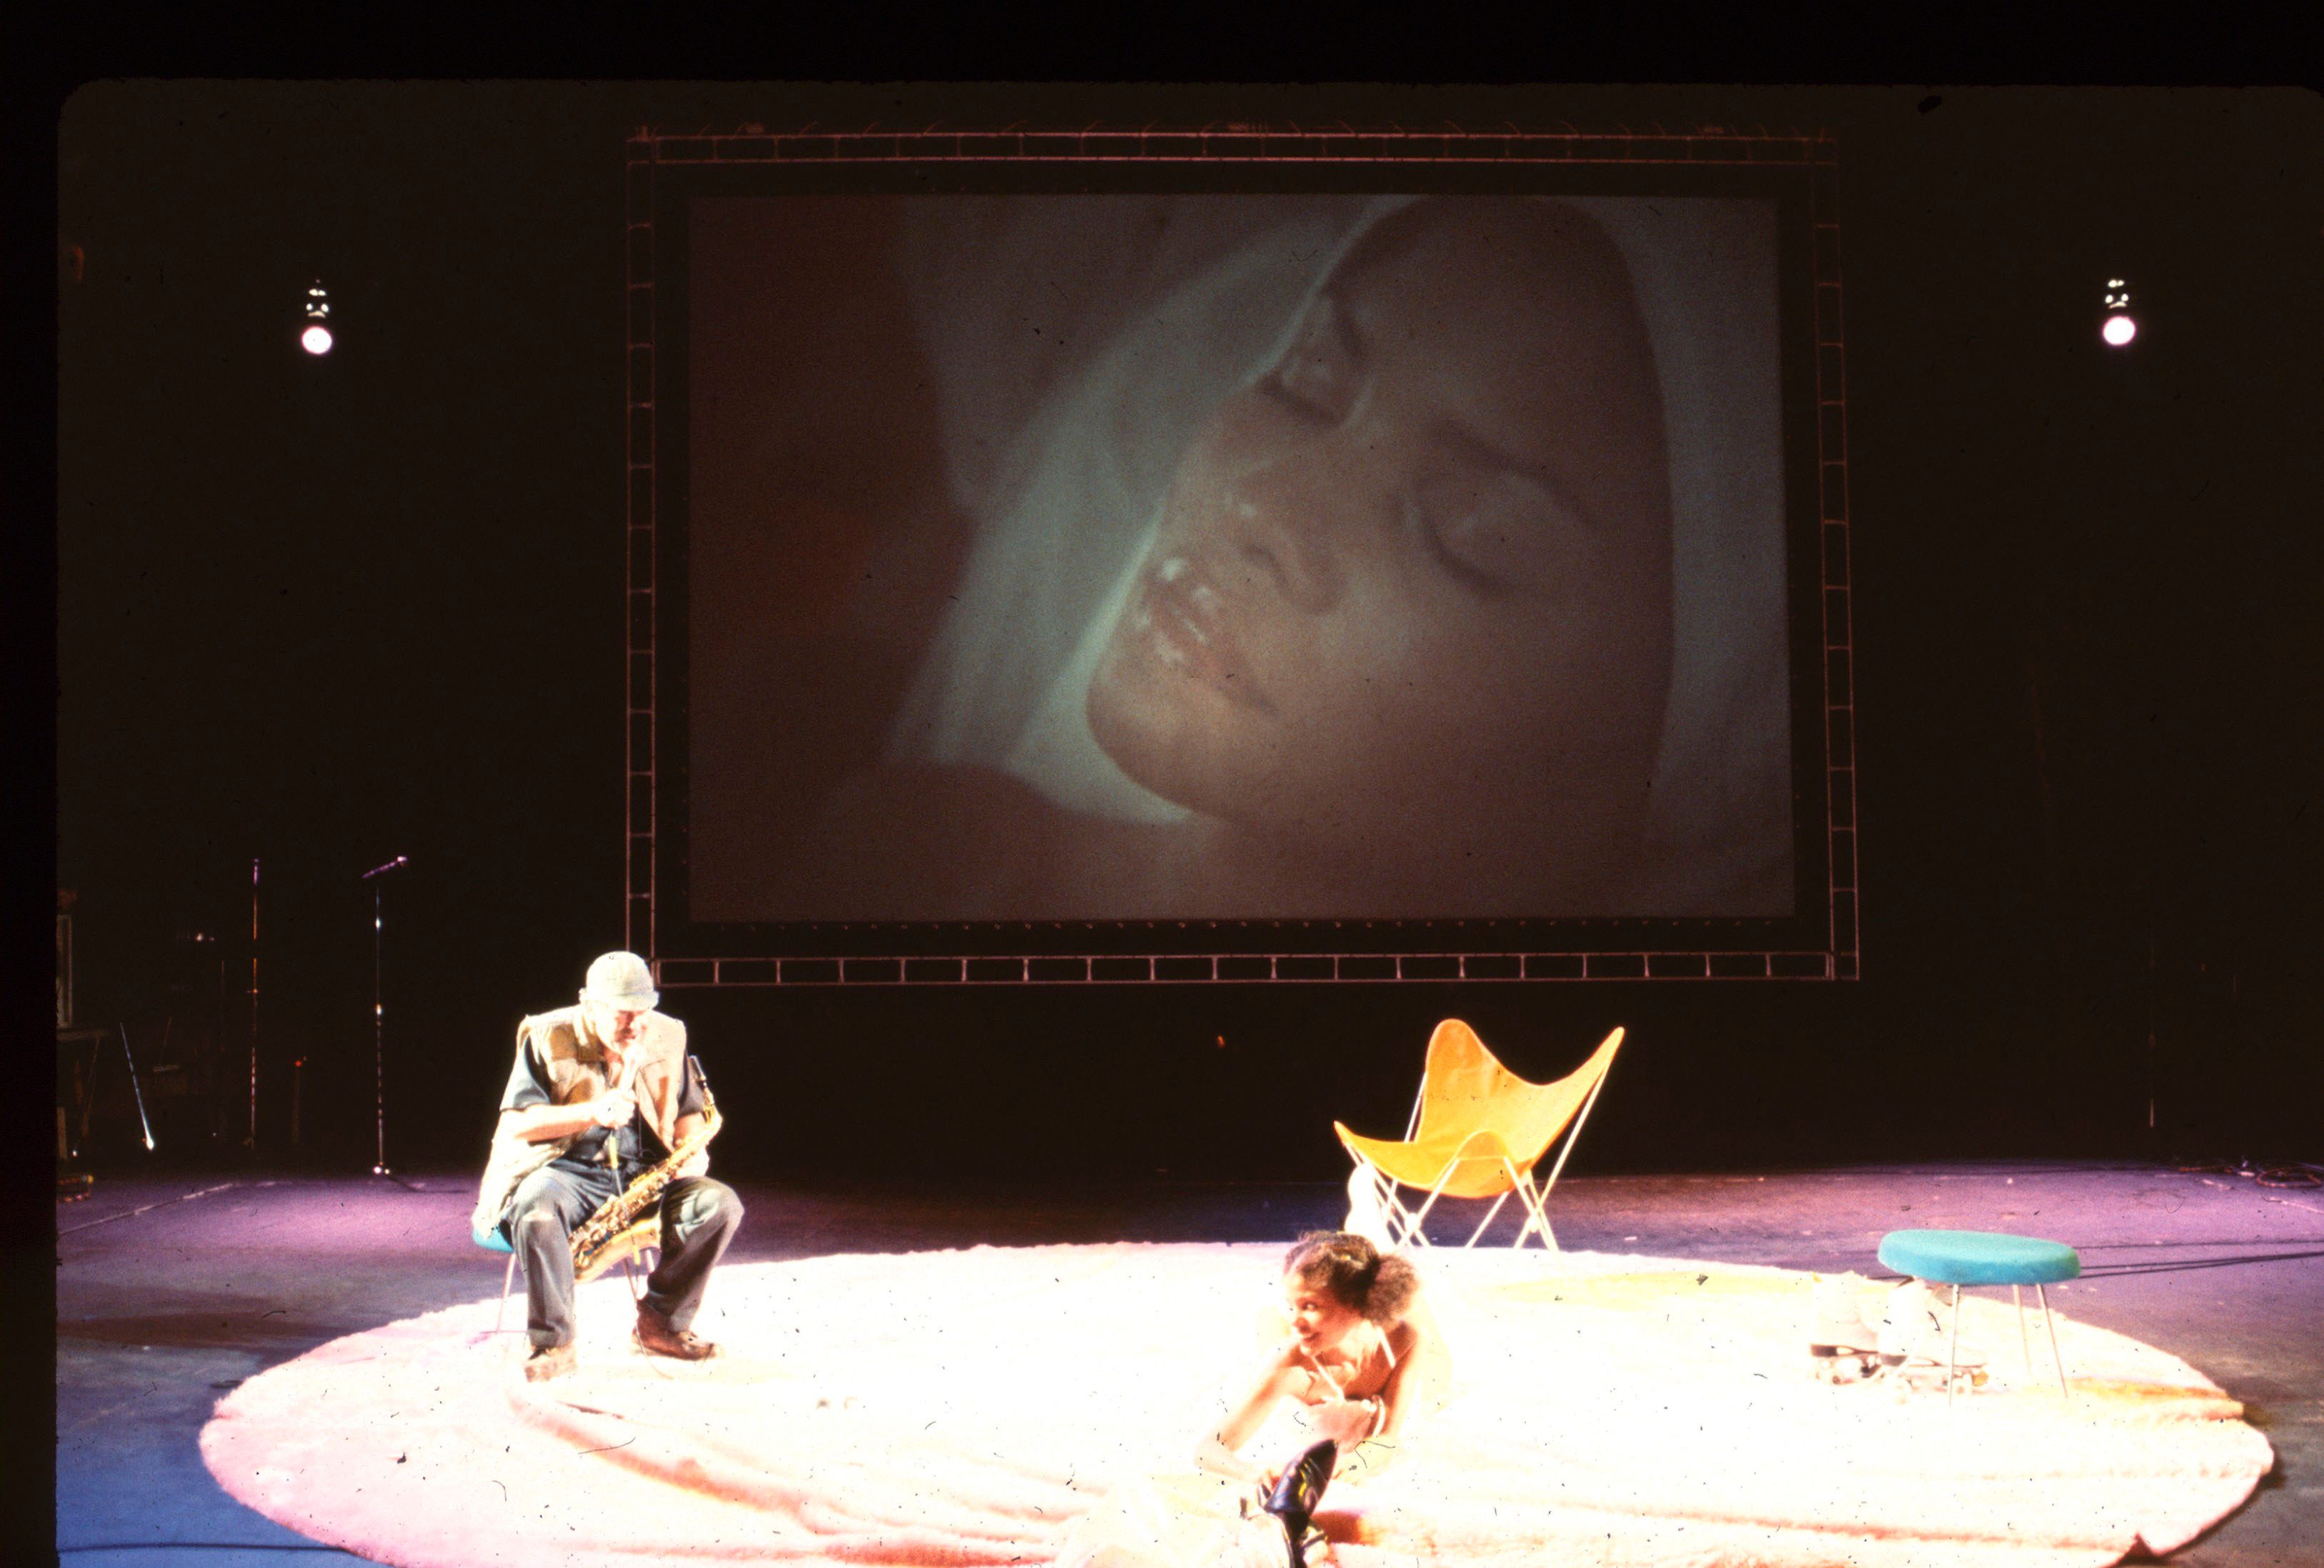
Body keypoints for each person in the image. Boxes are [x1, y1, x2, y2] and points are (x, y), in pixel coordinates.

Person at [772, 193, 1790, 922]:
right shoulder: (917, 875)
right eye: (1304, 380)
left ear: (1685, 743)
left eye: (1467, 536)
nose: (1257, 500)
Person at [1063, 1232, 1450, 1568]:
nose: (1298, 1319)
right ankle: (1271, 1321)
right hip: (1294, 1416)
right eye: (1292, 1305)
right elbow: (1208, 1450)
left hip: (1355, 1434)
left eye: (1310, 1306)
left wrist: (1358, 1462)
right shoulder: (1291, 1366)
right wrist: (1251, 1474)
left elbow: (1388, 1437)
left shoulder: (1403, 1341)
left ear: (1356, 1306)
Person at [469, 952, 744, 1382]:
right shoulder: (546, 1035)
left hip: (645, 1173)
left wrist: (693, 1151)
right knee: (536, 1207)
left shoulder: (668, 1033)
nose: (635, 1026)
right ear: (589, 1005)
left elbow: (690, 1111)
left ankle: (662, 1324)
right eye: (622, 1014)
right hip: (565, 1171)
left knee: (720, 1204)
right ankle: (553, 1343)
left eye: (643, 1012)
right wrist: (592, 1112)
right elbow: (519, 1122)